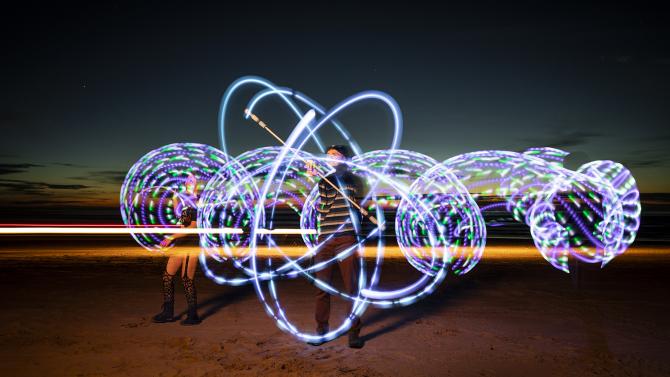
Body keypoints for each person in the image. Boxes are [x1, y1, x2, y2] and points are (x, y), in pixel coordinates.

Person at [306, 145, 365, 348]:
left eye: (335, 154)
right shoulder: (325, 180)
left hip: (346, 238)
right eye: (328, 154)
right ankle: (321, 330)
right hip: (325, 239)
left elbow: (347, 188)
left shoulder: (352, 179)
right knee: (322, 287)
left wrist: (326, 174)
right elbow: (326, 204)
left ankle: (354, 333)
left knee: (351, 287)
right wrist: (316, 176)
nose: (329, 157)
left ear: (345, 158)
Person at [152, 174, 202, 325]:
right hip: (181, 243)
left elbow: (191, 229)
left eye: (192, 179)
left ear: (196, 184)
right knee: (167, 276)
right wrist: (175, 198)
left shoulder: (198, 202)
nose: (189, 181)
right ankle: (168, 312)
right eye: (187, 179)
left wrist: (170, 238)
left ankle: (193, 315)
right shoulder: (185, 203)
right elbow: (181, 224)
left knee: (187, 279)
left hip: (191, 244)